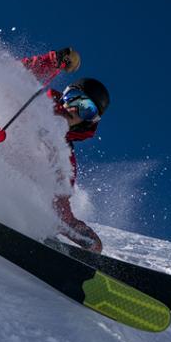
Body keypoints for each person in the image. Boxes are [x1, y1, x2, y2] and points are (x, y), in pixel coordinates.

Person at [21, 49, 110, 253]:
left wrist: (81, 234)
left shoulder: (64, 159)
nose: (74, 109)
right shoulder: (35, 99)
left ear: (90, 120)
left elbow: (59, 206)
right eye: (73, 98)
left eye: (86, 109)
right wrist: (52, 61)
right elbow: (11, 73)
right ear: (64, 96)